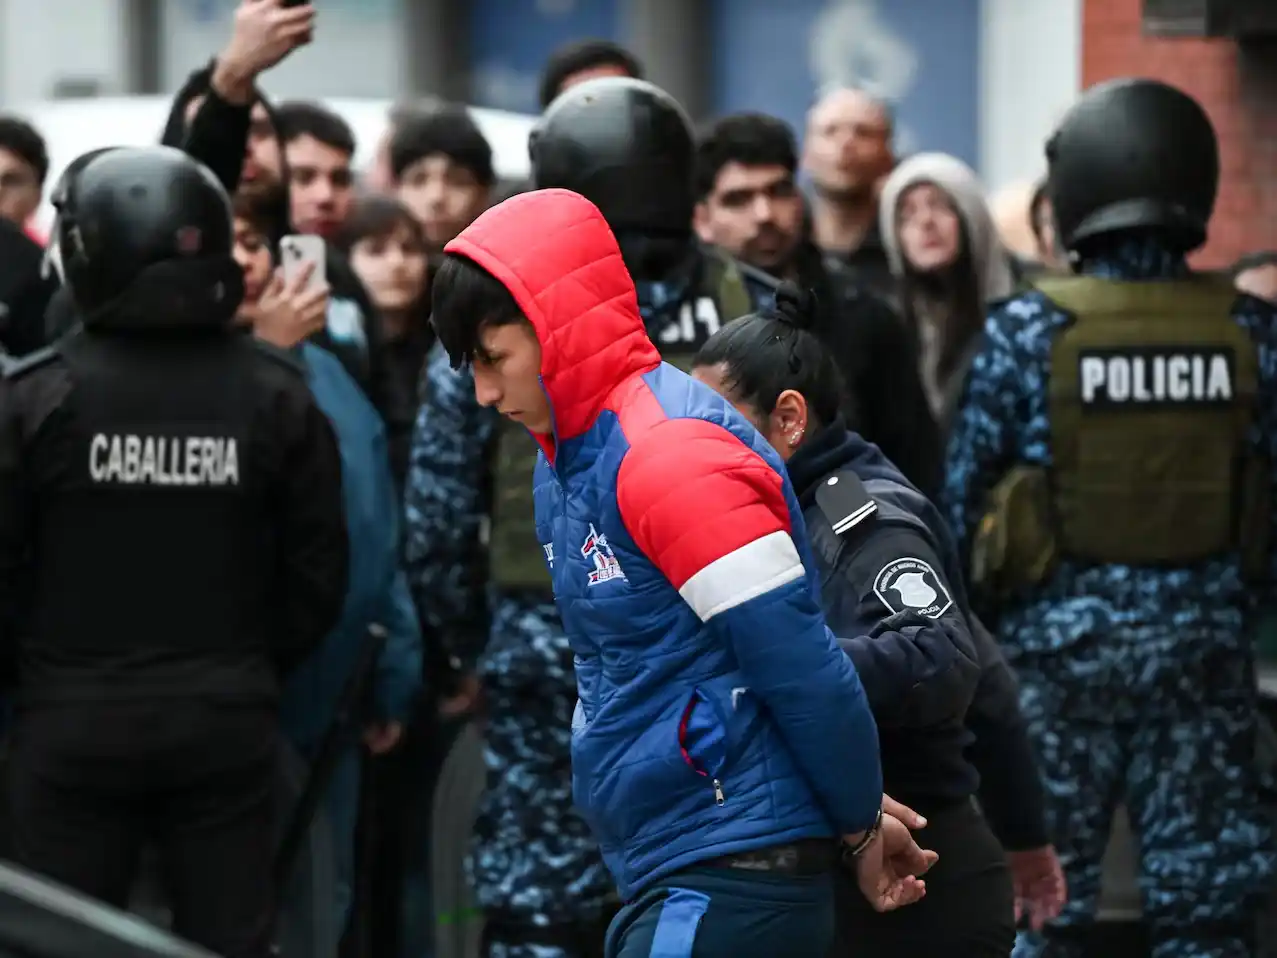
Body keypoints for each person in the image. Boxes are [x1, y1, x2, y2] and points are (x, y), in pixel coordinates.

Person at [429, 186, 940, 958]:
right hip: (676, 866)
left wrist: (858, 820)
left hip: (732, 875)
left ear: (553, 331)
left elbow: (802, 667)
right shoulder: (567, 463)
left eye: (494, 360)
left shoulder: (669, 457)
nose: (484, 393)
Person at [942, 77, 1277, 958]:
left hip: (1054, 672)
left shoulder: (1025, 332)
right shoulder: (1251, 332)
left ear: (1076, 190)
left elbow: (959, 506)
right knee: (1205, 919)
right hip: (1204, 666)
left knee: (1043, 908)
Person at [0, 146, 348, 958]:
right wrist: (244, 671)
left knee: (58, 941)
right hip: (225, 723)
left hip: (70, 725)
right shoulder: (278, 395)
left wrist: (43, 679)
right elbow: (318, 577)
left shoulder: (31, 402)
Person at [690, 283, 1064, 956]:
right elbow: (993, 686)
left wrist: (792, 666)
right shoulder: (775, 515)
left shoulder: (862, 523)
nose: (693, 452)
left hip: (915, 886)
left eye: (717, 427)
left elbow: (946, 658)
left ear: (789, 420)